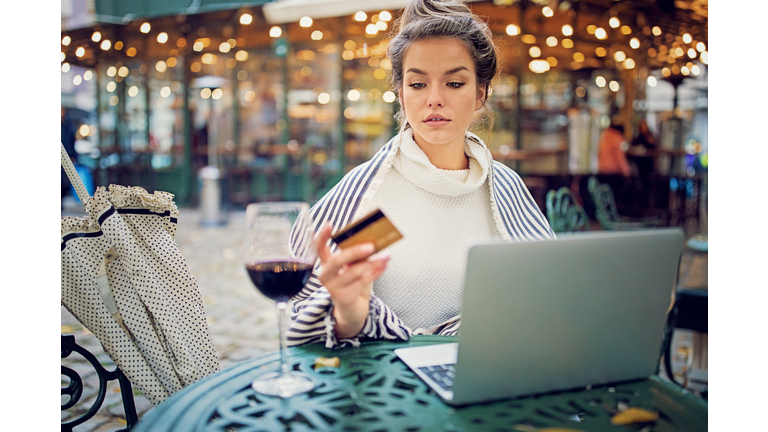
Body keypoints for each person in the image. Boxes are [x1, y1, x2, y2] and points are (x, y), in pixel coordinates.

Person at [286, 0, 555, 349]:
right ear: (400, 94)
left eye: (454, 83)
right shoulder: (367, 195)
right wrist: (350, 312)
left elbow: (547, 293)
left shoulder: (505, 189)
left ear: (480, 93)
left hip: (493, 377)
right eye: (417, 84)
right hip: (389, 388)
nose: (434, 99)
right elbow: (316, 315)